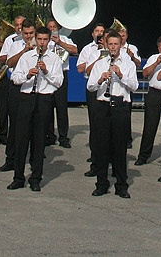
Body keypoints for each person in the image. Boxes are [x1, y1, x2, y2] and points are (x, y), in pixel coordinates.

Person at [8, 26, 64, 192]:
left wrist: (45, 71)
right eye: (39, 39)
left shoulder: (54, 59)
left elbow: (58, 82)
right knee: (21, 139)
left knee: (39, 140)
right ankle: (18, 177)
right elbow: (15, 78)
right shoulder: (26, 57)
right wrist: (27, 75)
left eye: (45, 40)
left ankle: (35, 178)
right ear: (35, 40)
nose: (41, 43)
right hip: (26, 97)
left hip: (44, 98)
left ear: (49, 40)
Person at [87, 29, 138, 198]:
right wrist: (101, 79)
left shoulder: (128, 63)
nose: (113, 47)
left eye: (116, 44)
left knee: (119, 147)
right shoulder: (100, 63)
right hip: (103, 105)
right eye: (111, 44)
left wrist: (121, 75)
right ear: (107, 45)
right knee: (102, 147)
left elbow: (134, 86)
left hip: (120, 106)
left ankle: (121, 185)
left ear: (120, 45)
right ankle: (101, 183)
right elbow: (91, 86)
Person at [0, 18, 36, 172]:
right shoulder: (14, 44)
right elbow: (10, 63)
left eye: (31, 33)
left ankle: (34, 159)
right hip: (17, 85)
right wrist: (24, 51)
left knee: (34, 125)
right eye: (26, 33)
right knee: (14, 124)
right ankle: (11, 159)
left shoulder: (41, 44)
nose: (28, 36)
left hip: (34, 86)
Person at [135, 35, 161, 166]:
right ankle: (143, 155)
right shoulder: (153, 58)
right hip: (154, 94)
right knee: (150, 126)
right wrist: (157, 62)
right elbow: (145, 74)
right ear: (159, 48)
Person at [77, 22, 106, 178]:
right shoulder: (89, 50)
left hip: (110, 90)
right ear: (93, 33)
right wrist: (100, 58)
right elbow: (83, 69)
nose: (100, 35)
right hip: (93, 87)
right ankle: (95, 157)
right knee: (95, 124)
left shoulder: (116, 51)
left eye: (103, 32)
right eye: (97, 31)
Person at [45, 17, 77, 147]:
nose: (52, 29)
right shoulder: (44, 40)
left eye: (54, 27)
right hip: (47, 74)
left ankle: (63, 137)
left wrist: (60, 43)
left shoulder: (64, 39)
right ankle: (49, 135)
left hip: (61, 74)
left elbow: (75, 50)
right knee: (47, 107)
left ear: (58, 28)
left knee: (61, 106)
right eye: (50, 28)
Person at [118, 24, 141, 148]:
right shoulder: (113, 46)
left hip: (127, 81)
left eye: (124, 35)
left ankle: (127, 138)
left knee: (127, 112)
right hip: (117, 81)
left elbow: (138, 64)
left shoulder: (132, 47)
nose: (122, 37)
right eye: (120, 35)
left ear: (127, 36)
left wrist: (132, 55)